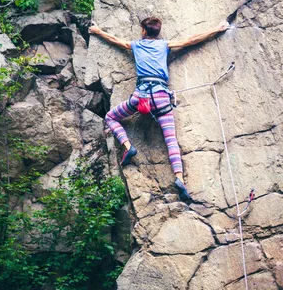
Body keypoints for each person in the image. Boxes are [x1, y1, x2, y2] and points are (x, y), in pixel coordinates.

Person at [89, 17, 229, 201]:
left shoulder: (136, 45)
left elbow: (117, 41)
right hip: (162, 98)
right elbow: (192, 40)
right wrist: (218, 29)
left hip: (141, 98)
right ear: (158, 32)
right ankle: (179, 178)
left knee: (110, 117)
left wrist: (98, 31)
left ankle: (128, 146)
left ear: (144, 31)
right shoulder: (165, 45)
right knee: (171, 140)